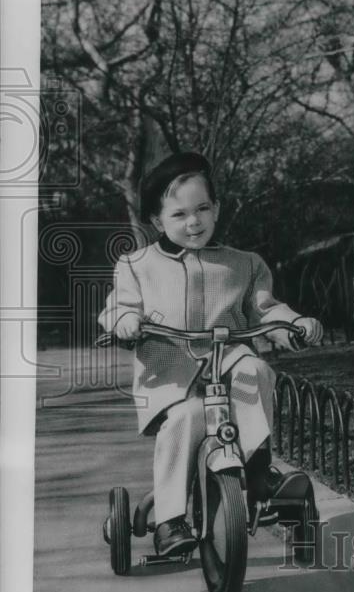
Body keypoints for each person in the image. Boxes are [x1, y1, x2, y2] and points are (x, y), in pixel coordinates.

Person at [99, 151, 323, 557]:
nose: (194, 222)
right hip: (171, 373)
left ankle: (257, 471)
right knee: (187, 418)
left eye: (202, 208)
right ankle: (169, 520)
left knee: (255, 368)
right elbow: (119, 306)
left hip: (230, 360)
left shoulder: (243, 264)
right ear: (157, 221)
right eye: (179, 214)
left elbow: (267, 309)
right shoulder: (137, 265)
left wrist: (295, 325)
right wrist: (125, 322)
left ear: (217, 209)